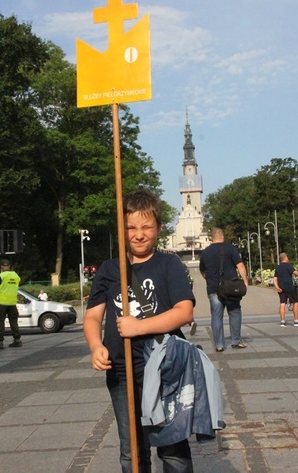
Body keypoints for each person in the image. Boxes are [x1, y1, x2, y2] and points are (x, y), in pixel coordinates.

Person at [84, 189, 195, 473]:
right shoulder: (109, 269)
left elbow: (184, 311)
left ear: (158, 228)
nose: (139, 234)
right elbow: (93, 317)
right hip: (121, 373)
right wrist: (96, 345)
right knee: (131, 453)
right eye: (131, 227)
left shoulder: (168, 264)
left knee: (172, 450)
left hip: (164, 372)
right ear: (122, 230)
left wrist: (139, 326)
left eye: (146, 227)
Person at [199, 227, 248, 352]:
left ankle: (219, 344)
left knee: (216, 316)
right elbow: (240, 265)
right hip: (231, 287)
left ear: (211, 238)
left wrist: (209, 280)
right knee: (235, 312)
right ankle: (236, 341)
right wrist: (245, 281)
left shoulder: (205, 252)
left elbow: (203, 271)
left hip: (214, 288)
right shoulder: (230, 248)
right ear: (223, 237)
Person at [273, 252, 298, 327]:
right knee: (295, 302)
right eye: (287, 257)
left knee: (282, 303)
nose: (288, 258)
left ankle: (282, 321)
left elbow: (275, 279)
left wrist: (277, 287)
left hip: (281, 287)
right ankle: (296, 321)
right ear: (285, 258)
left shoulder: (278, 268)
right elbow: (297, 273)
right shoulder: (288, 266)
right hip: (289, 287)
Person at [0, 259, 22, 349]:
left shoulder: (2, 275)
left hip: (3, 303)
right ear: (9, 266)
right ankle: (17, 340)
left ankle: (0, 342)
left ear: (1, 267)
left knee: (0, 321)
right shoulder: (16, 276)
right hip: (12, 303)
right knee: (13, 321)